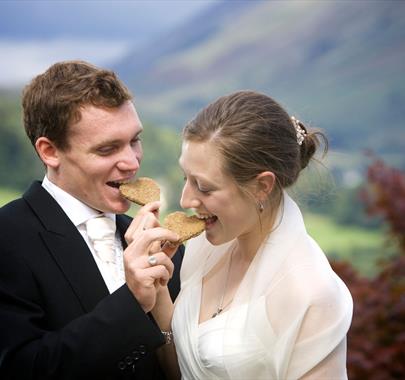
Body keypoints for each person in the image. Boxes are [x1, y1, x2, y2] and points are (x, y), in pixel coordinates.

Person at [149, 90, 353, 379]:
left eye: (204, 187)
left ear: (262, 186)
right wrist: (158, 291)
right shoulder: (202, 247)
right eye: (186, 179)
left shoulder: (312, 294)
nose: (185, 200)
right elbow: (181, 368)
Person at [0, 60, 184, 380]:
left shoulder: (163, 247)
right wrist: (133, 302)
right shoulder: (8, 237)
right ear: (50, 151)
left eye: (134, 141)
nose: (131, 162)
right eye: (107, 149)